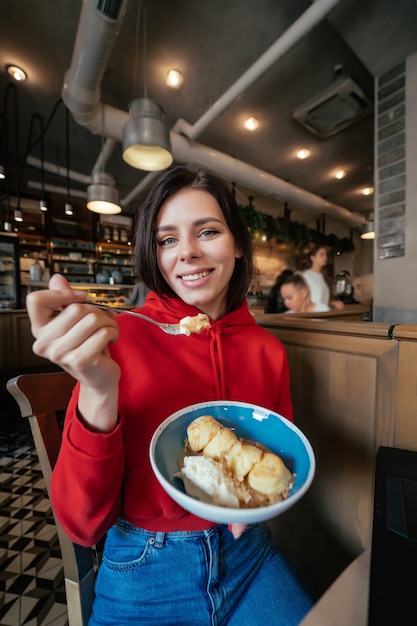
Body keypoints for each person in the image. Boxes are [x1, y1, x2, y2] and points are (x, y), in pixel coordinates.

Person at [26, 166, 313, 625]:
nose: (189, 253)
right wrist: (99, 389)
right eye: (167, 240)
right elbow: (81, 525)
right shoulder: (120, 339)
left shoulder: (268, 351)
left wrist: (255, 511)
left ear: (237, 244)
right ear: (153, 254)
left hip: (248, 558)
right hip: (146, 567)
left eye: (208, 231)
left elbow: (278, 459)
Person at [302, 244, 344, 310]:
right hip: (311, 316)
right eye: (321, 254)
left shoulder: (324, 277)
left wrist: (332, 303)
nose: (325, 257)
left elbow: (323, 299)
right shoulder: (306, 276)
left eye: (326, 255)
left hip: (324, 315)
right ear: (313, 257)